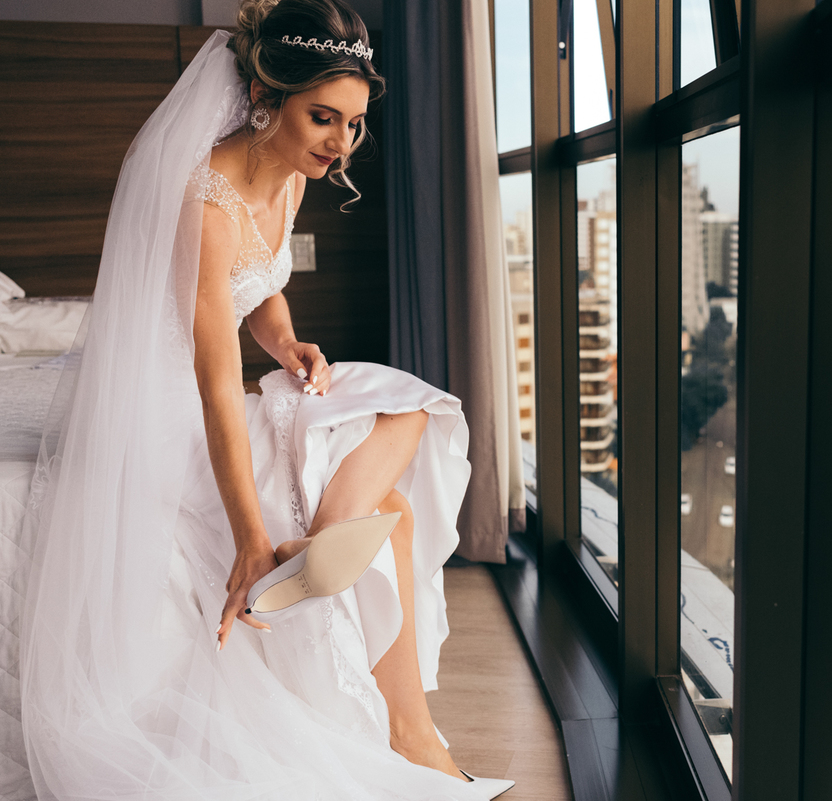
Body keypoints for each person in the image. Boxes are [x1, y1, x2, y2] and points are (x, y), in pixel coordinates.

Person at [16, 1, 513, 798]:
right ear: (263, 96)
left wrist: (287, 344)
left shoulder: (292, 172)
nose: (340, 143)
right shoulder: (205, 203)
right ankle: (409, 729)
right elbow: (216, 385)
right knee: (394, 508)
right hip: (168, 416)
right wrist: (251, 539)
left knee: (414, 409)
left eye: (353, 124)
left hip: (213, 397)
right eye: (324, 118)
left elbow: (262, 288)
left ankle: (328, 553)